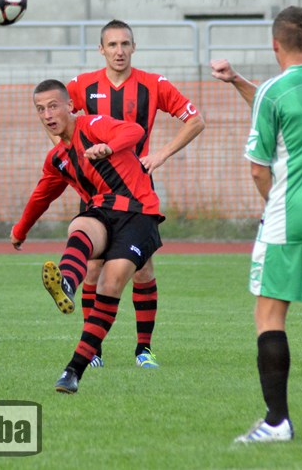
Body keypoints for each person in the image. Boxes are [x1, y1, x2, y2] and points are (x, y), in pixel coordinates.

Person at [214, 6, 302, 443]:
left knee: (268, 315)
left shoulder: (274, 93)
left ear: (274, 44)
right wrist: (241, 82)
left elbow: (259, 169)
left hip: (292, 214)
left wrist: (272, 205)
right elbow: (284, 111)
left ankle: (277, 422)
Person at [61, 19, 205, 369]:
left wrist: (160, 154)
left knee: (142, 270)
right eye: (112, 45)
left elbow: (196, 120)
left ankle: (144, 349)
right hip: (96, 193)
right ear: (101, 49)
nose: (119, 51)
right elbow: (58, 119)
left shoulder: (153, 85)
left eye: (125, 44)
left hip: (137, 191)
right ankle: (93, 350)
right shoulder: (82, 85)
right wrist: (71, 159)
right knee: (94, 269)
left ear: (134, 47)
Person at [10, 79, 164, 393]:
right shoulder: (57, 158)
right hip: (101, 211)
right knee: (78, 227)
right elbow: (42, 196)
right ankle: (66, 282)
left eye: (53, 106)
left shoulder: (92, 124)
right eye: (41, 109)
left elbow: (134, 131)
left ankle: (73, 370)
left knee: (111, 281)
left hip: (139, 212)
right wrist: (19, 230)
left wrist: (110, 146)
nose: (48, 114)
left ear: (70, 106)